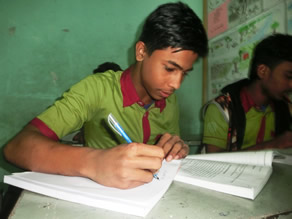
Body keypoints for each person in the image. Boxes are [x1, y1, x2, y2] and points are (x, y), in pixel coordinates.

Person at [4, 2, 208, 189]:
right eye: (170, 68)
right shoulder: (97, 89)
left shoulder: (168, 100)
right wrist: (95, 162)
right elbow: (16, 147)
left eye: (185, 73)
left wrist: (175, 148)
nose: (176, 84)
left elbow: (167, 150)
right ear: (141, 52)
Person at [202, 33, 292, 153]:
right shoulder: (222, 108)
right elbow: (213, 161)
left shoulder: (284, 107)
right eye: (288, 76)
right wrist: (273, 144)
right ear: (262, 71)